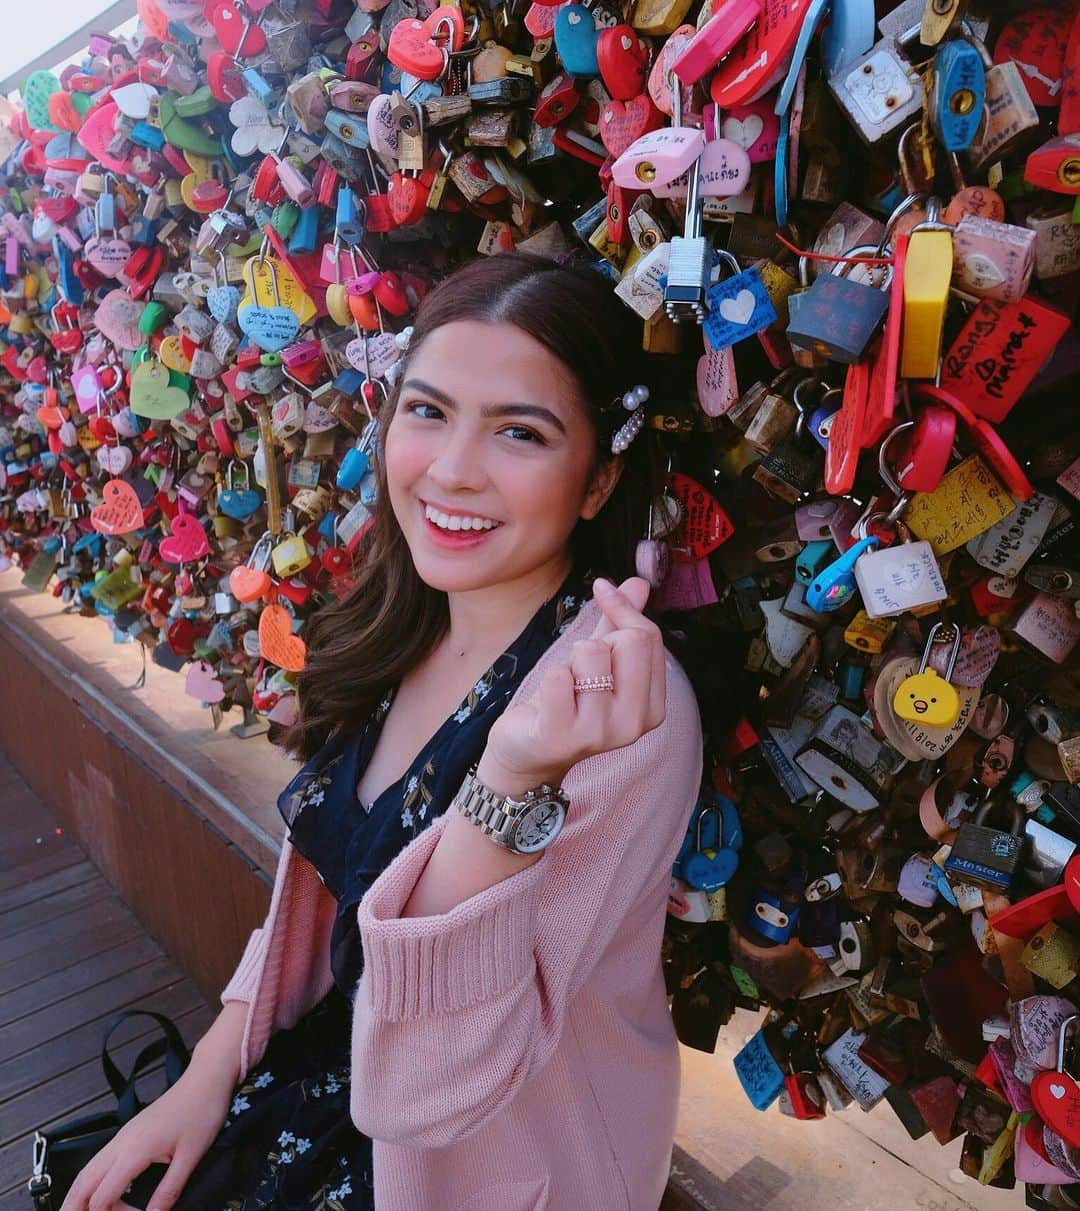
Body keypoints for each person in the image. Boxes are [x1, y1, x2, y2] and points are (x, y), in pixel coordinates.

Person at [62, 252, 704, 1211]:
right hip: (320, 1086)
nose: (451, 470)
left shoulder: (618, 717)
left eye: (520, 433)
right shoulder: (397, 629)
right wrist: (207, 1072)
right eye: (428, 411)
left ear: (599, 481)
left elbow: (435, 1088)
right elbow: (319, 897)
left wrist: (510, 782)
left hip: (479, 1160)